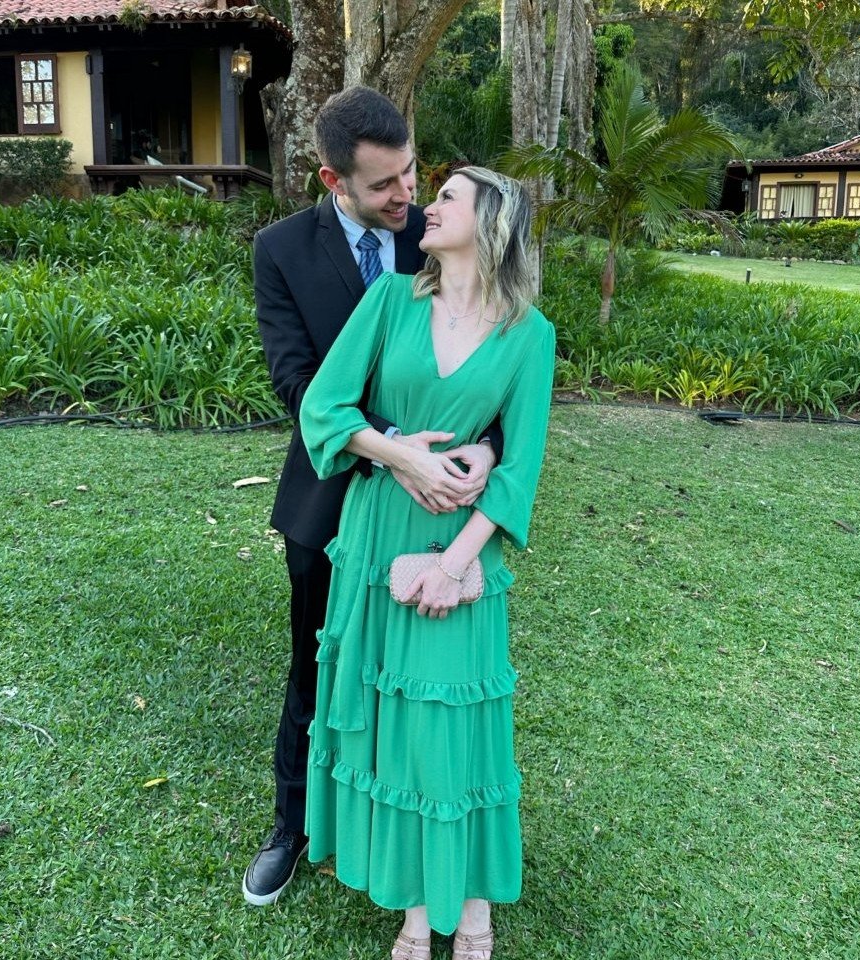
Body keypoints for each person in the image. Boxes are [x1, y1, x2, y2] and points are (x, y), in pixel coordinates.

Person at [245, 86, 503, 907]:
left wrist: (485, 452)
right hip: (329, 496)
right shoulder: (281, 250)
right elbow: (298, 383)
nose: (406, 195)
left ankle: (394, 830)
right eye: (384, 183)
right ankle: (292, 826)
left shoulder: (437, 234)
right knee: (319, 666)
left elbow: (494, 367)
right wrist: (395, 449)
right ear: (333, 180)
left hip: (430, 514)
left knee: (413, 677)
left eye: (412, 173)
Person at [298, 166, 555, 960]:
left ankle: (472, 905)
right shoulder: (389, 301)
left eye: (447, 196)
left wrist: (454, 565)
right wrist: (398, 454)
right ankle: (415, 909)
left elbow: (519, 470)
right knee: (397, 723)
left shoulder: (530, 335)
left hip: (460, 548)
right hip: (377, 534)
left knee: (452, 718)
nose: (426, 205)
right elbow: (324, 407)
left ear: (492, 223)